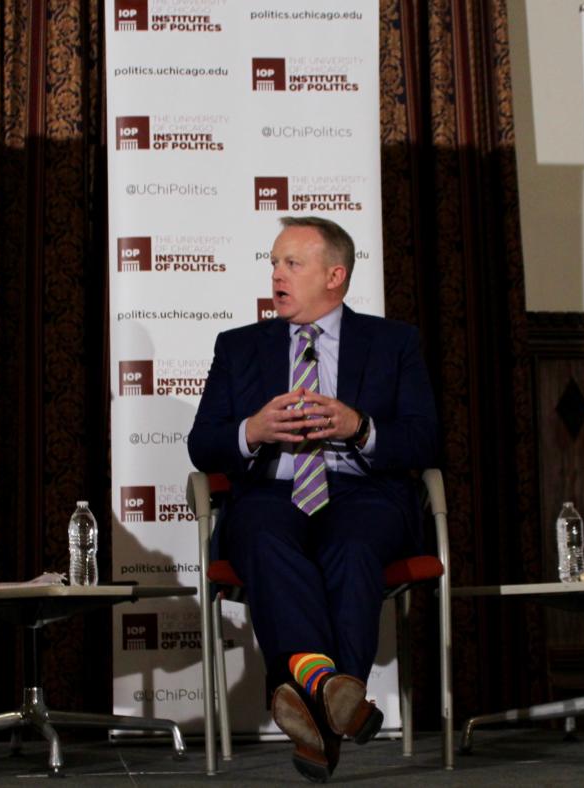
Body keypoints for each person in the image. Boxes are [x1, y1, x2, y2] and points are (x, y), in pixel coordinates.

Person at [187, 216, 439, 782]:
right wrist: (252, 430)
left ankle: (315, 713)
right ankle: (331, 690)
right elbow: (203, 444)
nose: (276, 274)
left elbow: (426, 438)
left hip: (364, 492)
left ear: (335, 275)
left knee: (352, 549)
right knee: (265, 537)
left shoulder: (394, 342)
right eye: (273, 262)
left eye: (291, 264)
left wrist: (360, 426)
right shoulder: (239, 347)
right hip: (272, 490)